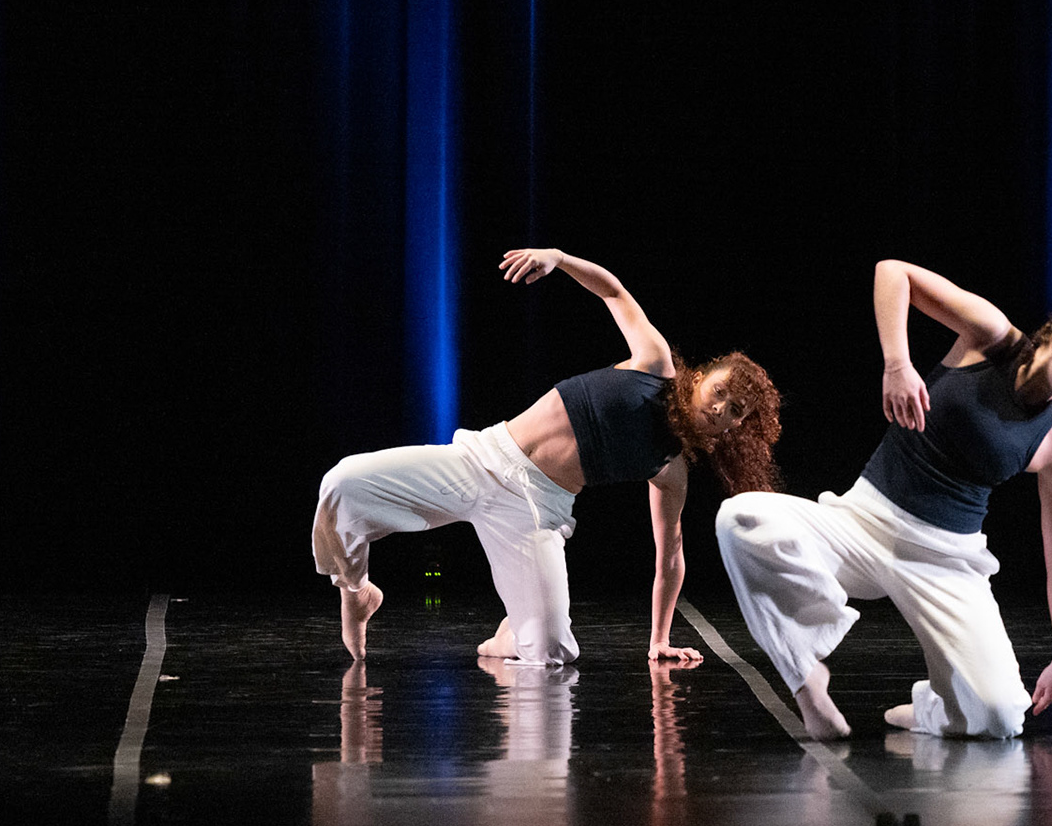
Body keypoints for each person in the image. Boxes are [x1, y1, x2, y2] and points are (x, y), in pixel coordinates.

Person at [716, 261, 1052, 741]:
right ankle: (807, 678)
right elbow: (894, 274)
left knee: (1001, 717)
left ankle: (928, 710)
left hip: (946, 561)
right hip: (862, 522)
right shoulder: (992, 336)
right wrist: (898, 364)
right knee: (741, 517)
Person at [312, 247, 781, 665]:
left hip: (535, 510)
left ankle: (512, 636)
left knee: (554, 653)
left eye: (734, 410)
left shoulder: (670, 468)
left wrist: (659, 638)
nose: (719, 409)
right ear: (700, 378)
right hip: (484, 459)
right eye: (719, 392)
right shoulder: (654, 364)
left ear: (736, 426)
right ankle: (356, 591)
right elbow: (614, 292)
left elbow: (670, 555)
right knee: (343, 483)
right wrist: (558, 258)